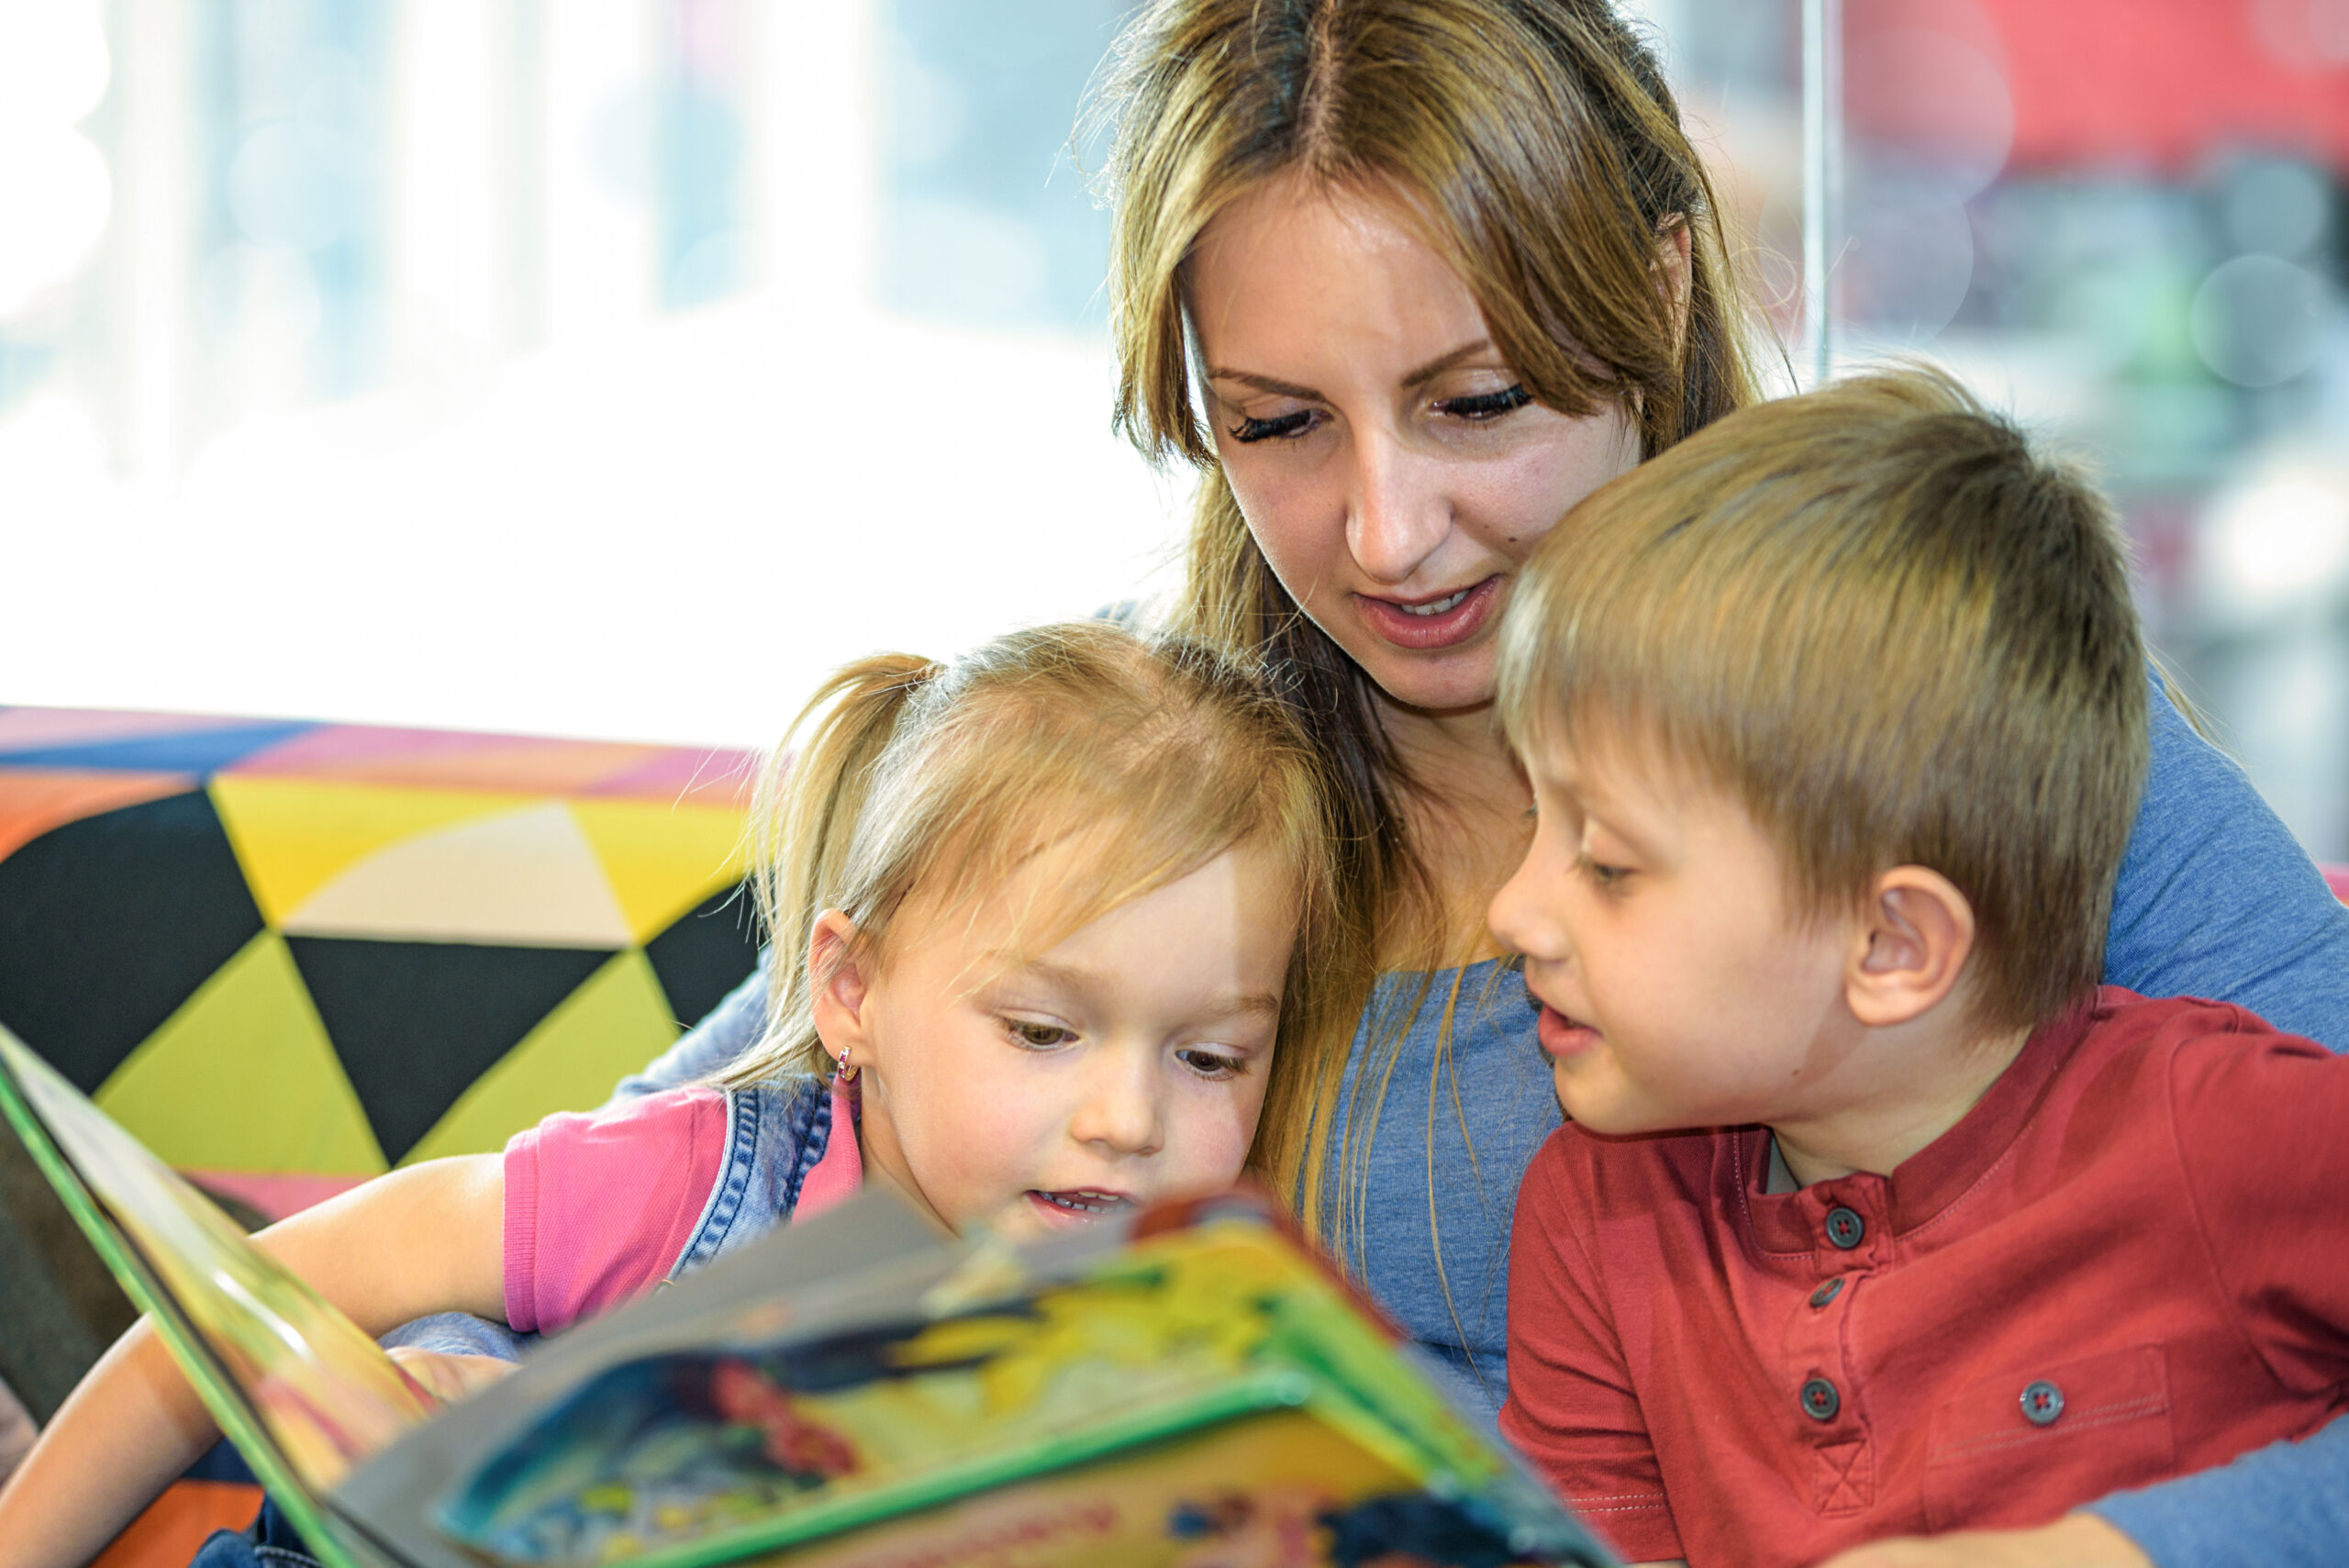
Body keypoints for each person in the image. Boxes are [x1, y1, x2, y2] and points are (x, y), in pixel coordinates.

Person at [629, 4, 2349, 1562]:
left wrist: (2120, 1553)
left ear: (1663, 286)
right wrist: (428, 1369)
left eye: (1477, 401)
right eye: (1278, 426)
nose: (1386, 534)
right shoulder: (1147, 760)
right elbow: (685, 1164)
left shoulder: (1932, 725)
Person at [0, 620, 1357, 1568]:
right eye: (1046, 1030)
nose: (1129, 1118)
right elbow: (220, 1319)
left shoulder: (1192, 1331)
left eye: (1209, 1056)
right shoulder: (691, 1178)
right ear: (852, 991)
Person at [1488, 368, 2349, 1567]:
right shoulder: (1593, 1217)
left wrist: (2113, 1550)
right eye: (1534, 824)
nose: (1512, 910)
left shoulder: (2223, 1129)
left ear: (1893, 946)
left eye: (1612, 864)